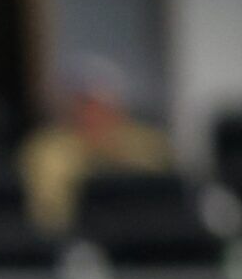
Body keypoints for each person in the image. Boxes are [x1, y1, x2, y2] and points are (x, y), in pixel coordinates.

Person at [21, 58, 174, 233]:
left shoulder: (146, 141)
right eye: (86, 104)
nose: (95, 113)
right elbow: (49, 211)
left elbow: (163, 188)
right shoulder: (47, 148)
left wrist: (113, 151)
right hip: (74, 239)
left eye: (104, 105)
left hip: (146, 234)